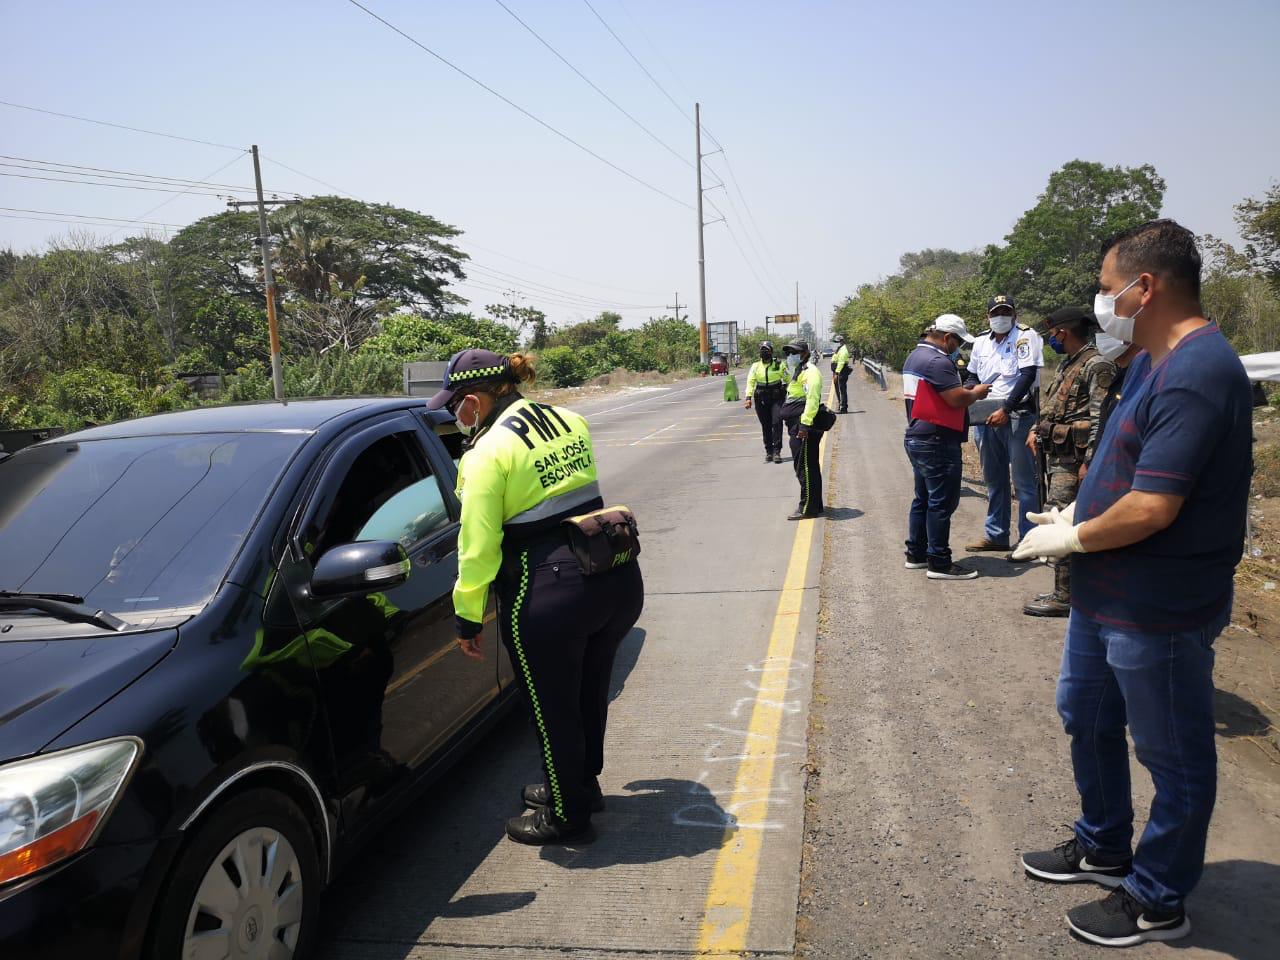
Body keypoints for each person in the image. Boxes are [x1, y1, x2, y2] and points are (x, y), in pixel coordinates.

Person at [1015, 220, 1252, 947]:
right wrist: (1078, 510)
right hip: (1105, 591)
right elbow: (1125, 464)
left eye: (1109, 287)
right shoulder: (1148, 359)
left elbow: (1155, 506)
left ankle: (1158, 896)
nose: (1103, 302)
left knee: (1173, 755)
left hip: (1158, 604)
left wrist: (1076, 535)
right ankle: (1105, 843)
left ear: (1144, 288)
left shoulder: (1198, 371)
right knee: (1083, 713)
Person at [428, 348, 645, 845]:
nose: (454, 413)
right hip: (611, 575)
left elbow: (478, 547)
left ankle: (567, 817)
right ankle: (580, 787)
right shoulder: (569, 419)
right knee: (590, 692)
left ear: (476, 400)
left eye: (456, 402)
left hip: (546, 589)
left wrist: (467, 617)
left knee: (552, 710)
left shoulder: (487, 453)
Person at [1023, 307, 1116, 617]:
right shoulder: (1070, 363)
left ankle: (1065, 596)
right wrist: (1038, 429)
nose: (1051, 339)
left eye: (1052, 334)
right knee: (1058, 517)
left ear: (1063, 332)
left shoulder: (1096, 365)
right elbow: (1057, 406)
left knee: (1062, 522)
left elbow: (1100, 418)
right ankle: (1067, 590)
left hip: (1076, 460)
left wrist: (1090, 461)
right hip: (1060, 456)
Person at [902, 315, 991, 580]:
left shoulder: (914, 356)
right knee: (942, 502)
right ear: (947, 338)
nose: (959, 347)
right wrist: (976, 392)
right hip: (937, 439)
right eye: (958, 342)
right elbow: (955, 399)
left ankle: (916, 554)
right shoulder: (938, 361)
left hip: (919, 436)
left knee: (924, 498)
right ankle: (939, 562)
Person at [965, 295, 1044, 556]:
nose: (1001, 316)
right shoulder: (979, 342)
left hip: (1017, 416)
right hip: (985, 417)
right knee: (994, 480)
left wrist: (1006, 408)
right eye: (996, 312)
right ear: (988, 316)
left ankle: (1029, 541)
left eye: (1005, 311)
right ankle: (997, 535)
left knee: (1024, 483)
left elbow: (1028, 374)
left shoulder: (1025, 336)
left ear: (1014, 314)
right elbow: (973, 374)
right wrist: (969, 391)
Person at [779, 338, 824, 520]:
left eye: (794, 352)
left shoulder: (810, 373)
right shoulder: (799, 370)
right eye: (789, 353)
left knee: (804, 467)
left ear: (804, 353)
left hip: (803, 426)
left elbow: (812, 400)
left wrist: (804, 425)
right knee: (810, 466)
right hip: (797, 424)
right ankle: (815, 504)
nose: (791, 356)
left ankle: (807, 507)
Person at [744, 340, 787, 463]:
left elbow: (789, 379)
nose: (764, 352)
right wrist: (748, 398)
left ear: (771, 352)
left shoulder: (779, 365)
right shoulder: (755, 366)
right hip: (761, 399)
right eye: (762, 350)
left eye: (766, 350)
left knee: (777, 423)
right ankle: (769, 451)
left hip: (776, 398)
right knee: (766, 425)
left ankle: (777, 451)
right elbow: (751, 382)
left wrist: (789, 392)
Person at [831, 334, 852, 413]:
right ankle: (841, 405)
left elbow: (841, 362)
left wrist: (837, 373)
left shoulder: (843, 350)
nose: (836, 343)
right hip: (838, 371)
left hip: (841, 372)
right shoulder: (839, 349)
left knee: (841, 390)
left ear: (841, 341)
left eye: (837, 342)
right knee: (839, 389)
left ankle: (843, 408)